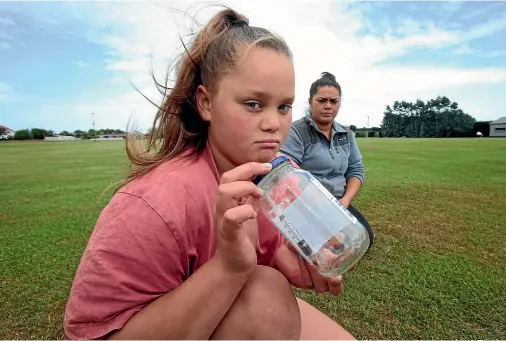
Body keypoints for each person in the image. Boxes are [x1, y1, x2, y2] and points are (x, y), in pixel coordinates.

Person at [63, 9, 356, 340]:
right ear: (205, 103)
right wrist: (228, 267)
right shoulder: (155, 204)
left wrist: (279, 257)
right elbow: (90, 334)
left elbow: (265, 259)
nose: (274, 123)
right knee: (266, 299)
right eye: (254, 104)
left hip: (226, 312)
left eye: (284, 107)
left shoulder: (283, 179)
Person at [280, 72, 374, 248]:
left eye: (334, 101)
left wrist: (345, 201)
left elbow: (356, 170)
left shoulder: (347, 134)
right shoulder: (297, 132)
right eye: (322, 100)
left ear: (339, 103)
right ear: (310, 102)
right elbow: (287, 171)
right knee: (327, 246)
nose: (328, 106)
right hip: (306, 205)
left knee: (364, 240)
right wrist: (316, 204)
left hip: (338, 203)